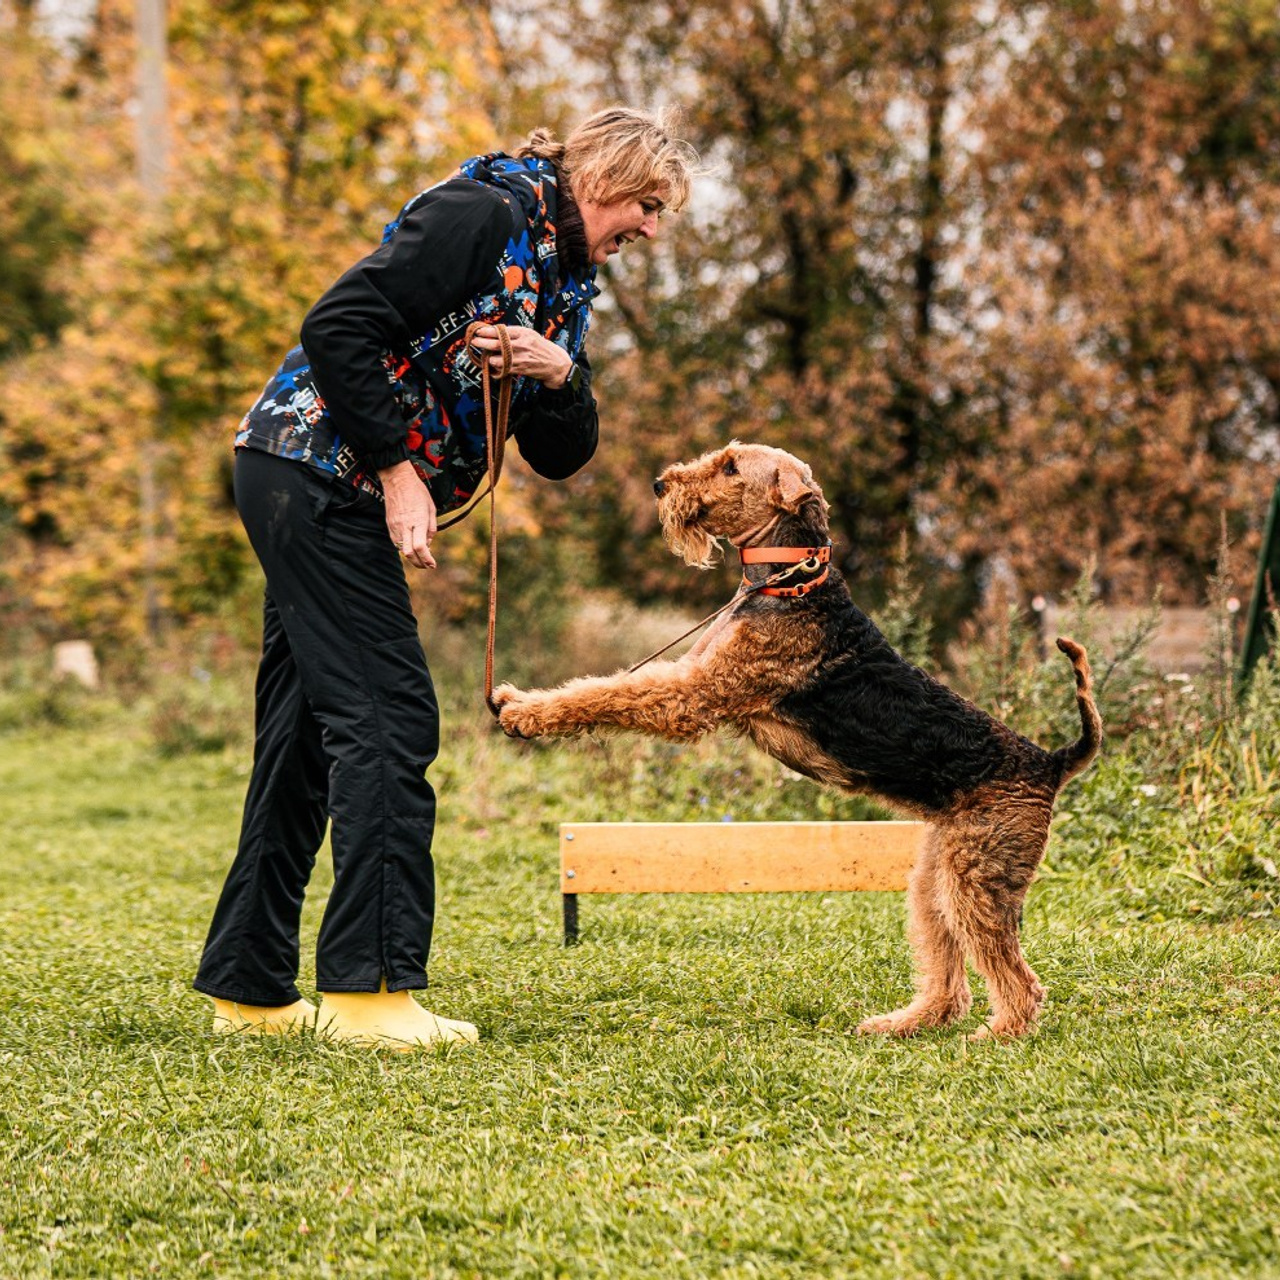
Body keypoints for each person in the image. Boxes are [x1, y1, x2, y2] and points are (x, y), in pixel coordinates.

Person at [194, 108, 697, 1049]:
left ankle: (248, 990)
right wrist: (397, 472)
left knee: (304, 737)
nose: (652, 229)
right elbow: (338, 325)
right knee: (389, 718)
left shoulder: (564, 281)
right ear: (602, 178)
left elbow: (561, 456)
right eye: (648, 204)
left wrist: (559, 374)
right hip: (313, 468)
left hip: (313, 479)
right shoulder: (483, 214)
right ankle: (370, 996)